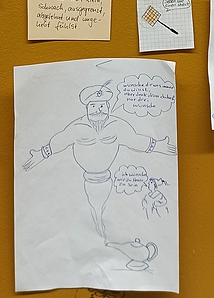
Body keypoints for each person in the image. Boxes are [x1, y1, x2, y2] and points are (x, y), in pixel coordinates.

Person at [23, 81, 176, 239]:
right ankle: (95, 227)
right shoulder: (77, 127)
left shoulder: (117, 125)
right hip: (87, 180)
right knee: (88, 213)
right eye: (93, 106)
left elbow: (136, 140)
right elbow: (59, 142)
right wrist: (40, 154)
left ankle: (102, 228)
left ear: (108, 107)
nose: (98, 110)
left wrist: (158, 145)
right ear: (87, 108)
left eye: (102, 106)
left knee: (106, 213)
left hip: (106, 179)